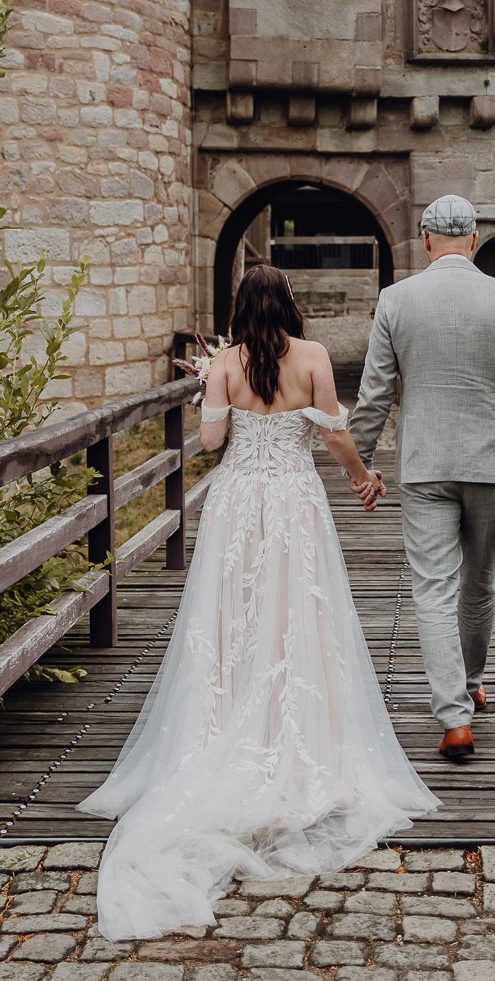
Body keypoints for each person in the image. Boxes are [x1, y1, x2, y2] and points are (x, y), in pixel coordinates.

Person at [79, 264, 437, 940]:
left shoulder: (226, 362)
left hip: (240, 503)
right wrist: (363, 479)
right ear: (291, 305)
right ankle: (295, 734)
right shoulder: (314, 357)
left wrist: (210, 385)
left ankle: (229, 722)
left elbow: (212, 442)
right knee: (297, 618)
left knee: (234, 622)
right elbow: (333, 434)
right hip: (295, 501)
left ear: (240, 309)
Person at [348, 194, 495, 763]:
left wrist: (360, 463)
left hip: (425, 467)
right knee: (481, 582)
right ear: (472, 241)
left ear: (423, 242)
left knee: (434, 589)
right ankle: (469, 683)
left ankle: (454, 718)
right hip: (493, 467)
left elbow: (375, 395)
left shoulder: (396, 301)